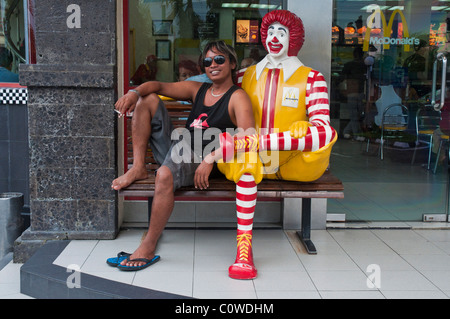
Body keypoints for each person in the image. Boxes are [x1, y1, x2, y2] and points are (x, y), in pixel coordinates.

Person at [109, 41, 255, 271]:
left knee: (165, 173)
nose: (212, 65)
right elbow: (157, 85)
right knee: (146, 99)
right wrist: (134, 92)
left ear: (232, 63)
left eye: (219, 59)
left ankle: (148, 245)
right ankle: (138, 167)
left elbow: (248, 139)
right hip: (179, 149)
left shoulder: (238, 97)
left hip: (201, 159)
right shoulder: (198, 90)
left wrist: (211, 158)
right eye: (207, 61)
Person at [217, 10, 337, 280]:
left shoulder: (312, 79)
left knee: (324, 135)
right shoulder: (244, 76)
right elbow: (205, 90)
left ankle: (258, 144)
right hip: (253, 159)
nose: (274, 37)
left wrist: (295, 133)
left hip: (293, 163)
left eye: (281, 32)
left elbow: (323, 131)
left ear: (292, 38)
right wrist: (147, 90)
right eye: (270, 32)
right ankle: (243, 249)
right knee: (246, 161)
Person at [341, 46, 366, 140]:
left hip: (351, 93)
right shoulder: (365, 66)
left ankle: (347, 132)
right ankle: (356, 134)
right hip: (361, 92)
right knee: (357, 115)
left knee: (354, 115)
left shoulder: (348, 65)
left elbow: (341, 78)